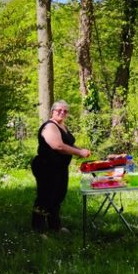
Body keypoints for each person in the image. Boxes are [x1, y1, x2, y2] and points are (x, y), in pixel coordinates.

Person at [30, 100, 91, 234]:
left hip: (59, 167)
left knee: (58, 196)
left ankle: (55, 226)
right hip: (46, 166)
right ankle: (38, 230)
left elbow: (68, 144)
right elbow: (58, 146)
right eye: (59, 110)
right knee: (45, 196)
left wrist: (80, 150)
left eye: (65, 111)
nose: (62, 113)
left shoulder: (62, 126)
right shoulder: (50, 126)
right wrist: (79, 152)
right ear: (53, 111)